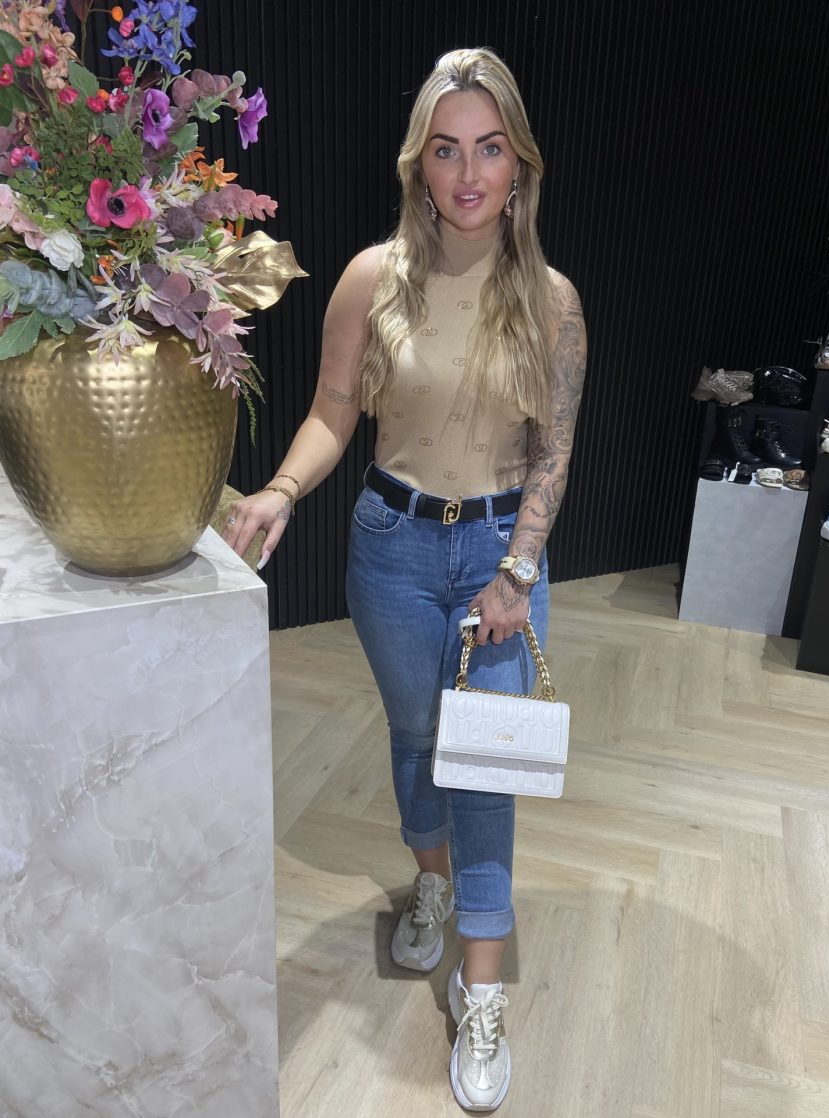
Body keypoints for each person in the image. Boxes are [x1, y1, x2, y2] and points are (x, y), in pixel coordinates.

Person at [223, 46, 587, 1113]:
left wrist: (518, 570)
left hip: (501, 556)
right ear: (418, 164)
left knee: (485, 766)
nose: (468, 174)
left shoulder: (552, 300)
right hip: (392, 545)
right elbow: (333, 410)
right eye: (446, 150)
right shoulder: (370, 279)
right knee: (419, 738)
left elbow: (555, 452)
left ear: (519, 164)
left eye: (489, 149)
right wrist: (282, 490)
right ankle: (430, 883)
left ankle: (483, 987)